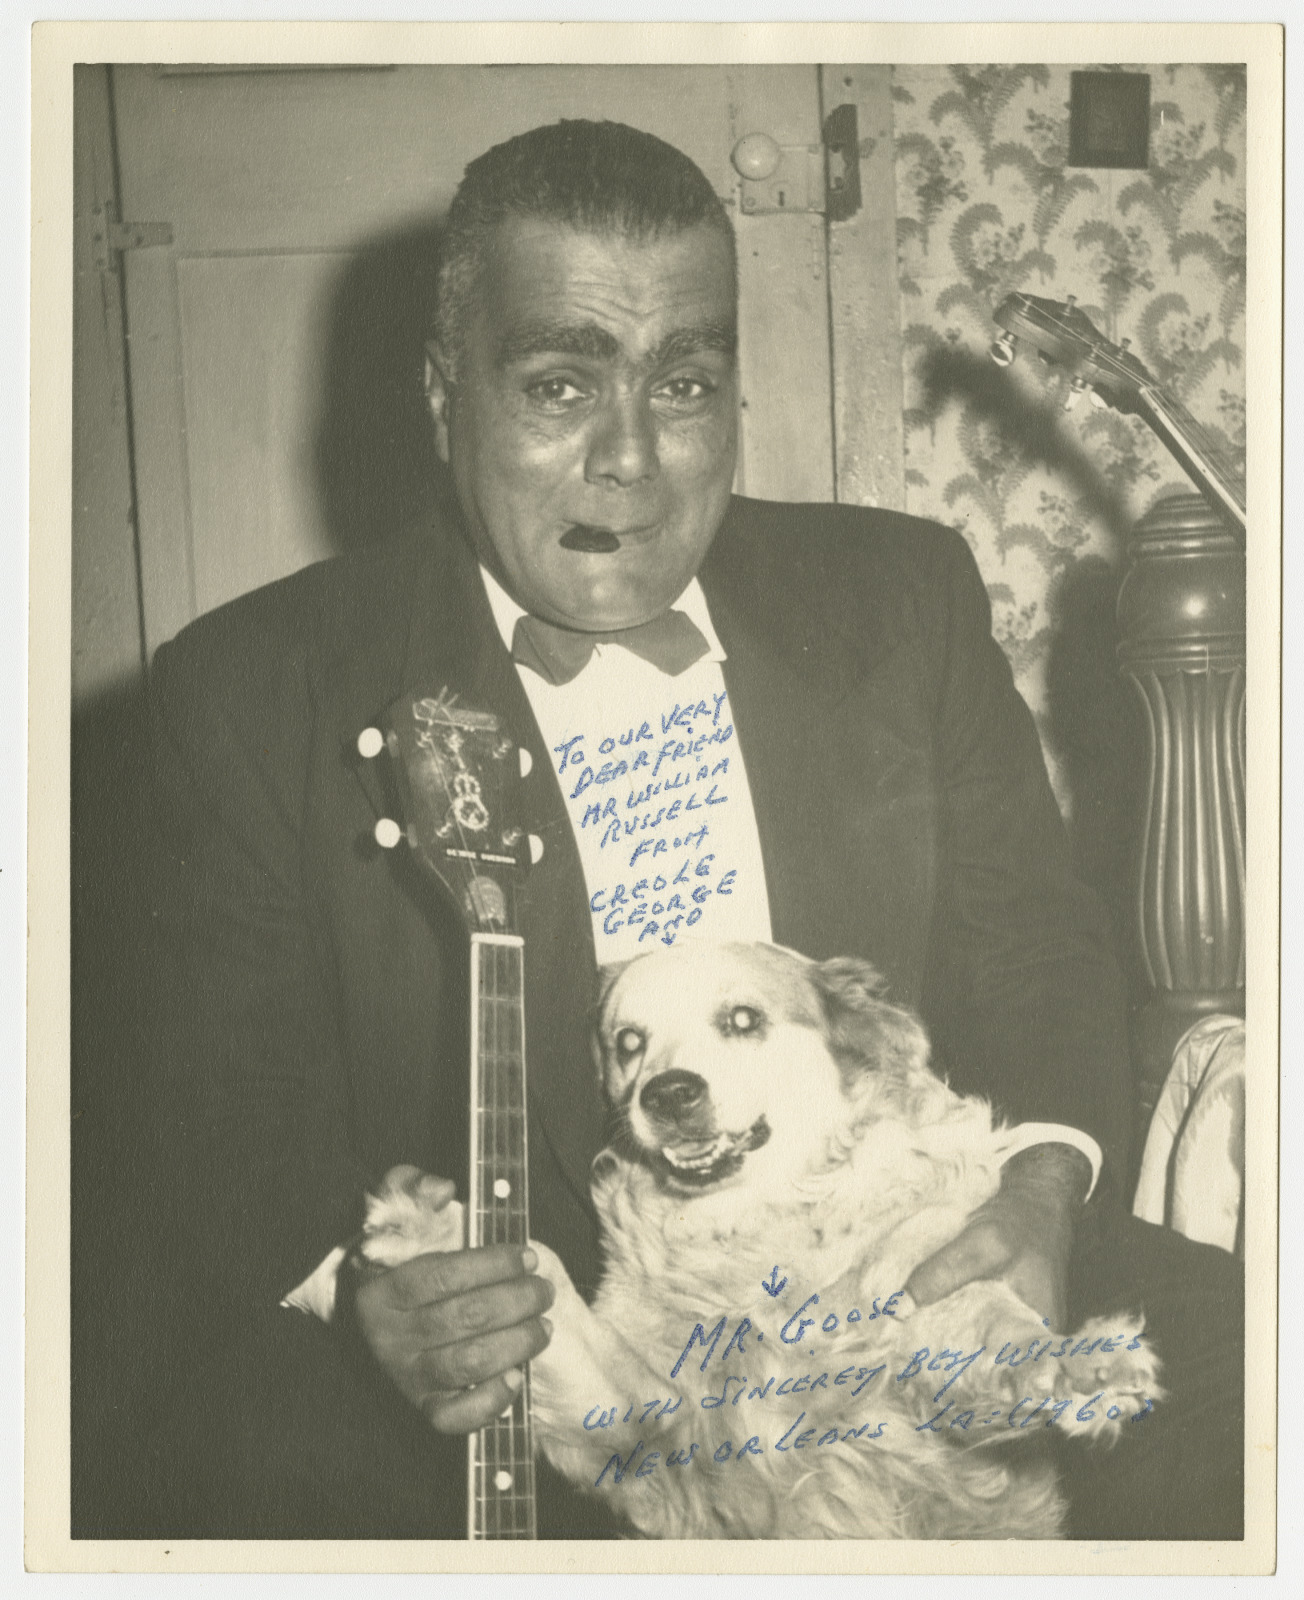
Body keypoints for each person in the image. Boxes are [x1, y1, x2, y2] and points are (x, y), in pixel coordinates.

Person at [144, 119, 1242, 1540]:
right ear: (440, 398)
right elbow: (222, 1120)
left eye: (685, 385)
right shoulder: (256, 688)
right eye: (557, 385)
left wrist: (1038, 1195)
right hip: (577, 1364)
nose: (634, 464)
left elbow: (1037, 946)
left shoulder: (901, 593)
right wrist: (364, 1299)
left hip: (912, 1295)